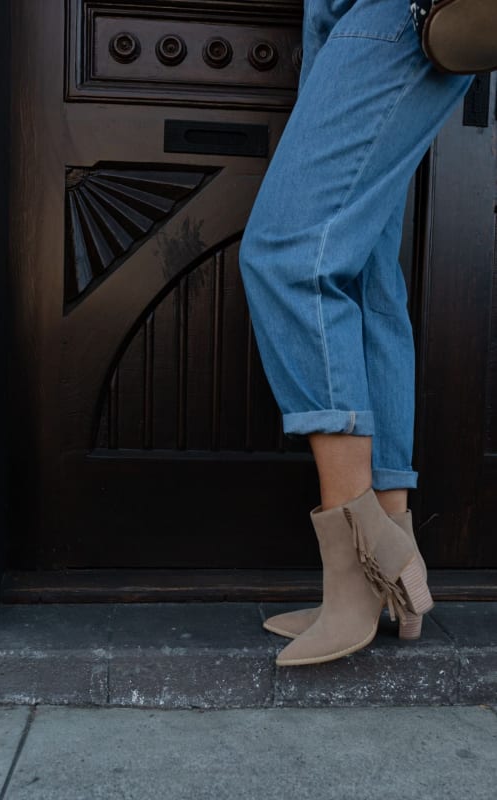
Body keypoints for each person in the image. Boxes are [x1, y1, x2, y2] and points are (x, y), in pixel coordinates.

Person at [238, 0, 474, 666]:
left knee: (287, 254)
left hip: (397, 8)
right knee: (364, 276)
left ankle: (357, 564)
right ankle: (390, 571)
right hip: (340, 11)